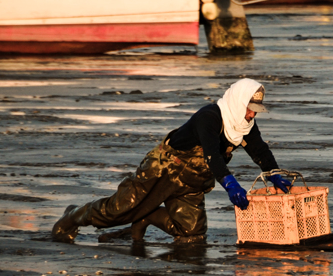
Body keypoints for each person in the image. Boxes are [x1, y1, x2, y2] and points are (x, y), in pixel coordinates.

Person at [50, 78, 291, 244]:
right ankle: (72, 217)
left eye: (256, 110)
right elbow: (212, 155)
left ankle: (146, 218)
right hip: (164, 168)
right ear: (238, 102)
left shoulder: (244, 124)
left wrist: (274, 173)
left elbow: (260, 150)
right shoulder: (209, 117)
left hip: (194, 180)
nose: (252, 114)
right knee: (117, 210)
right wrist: (230, 184)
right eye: (249, 108)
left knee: (192, 234)